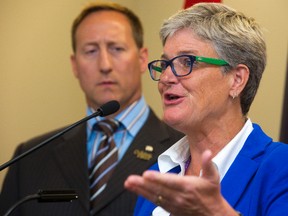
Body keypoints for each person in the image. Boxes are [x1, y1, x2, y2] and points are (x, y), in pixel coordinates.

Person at [0, 2, 183, 216]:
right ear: (75, 65)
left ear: (143, 59)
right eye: (90, 51)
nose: (104, 64)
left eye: (117, 48)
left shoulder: (183, 149)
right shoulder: (29, 158)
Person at [124, 2, 288, 216]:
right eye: (165, 64)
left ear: (237, 79)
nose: (165, 78)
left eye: (186, 62)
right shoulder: (159, 173)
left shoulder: (279, 167)